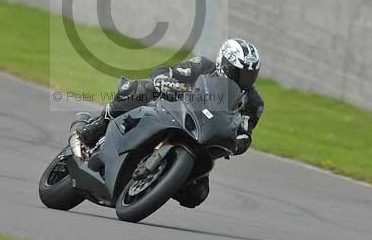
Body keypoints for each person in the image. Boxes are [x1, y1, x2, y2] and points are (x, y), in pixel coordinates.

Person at [77, 38, 264, 208]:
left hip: (204, 140)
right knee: (141, 89)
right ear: (224, 62)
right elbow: (166, 71)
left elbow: (245, 133)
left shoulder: (253, 102)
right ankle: (98, 125)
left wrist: (238, 142)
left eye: (250, 75)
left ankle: (162, 181)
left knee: (197, 195)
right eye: (240, 72)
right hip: (176, 112)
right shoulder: (204, 67)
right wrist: (165, 81)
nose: (245, 79)